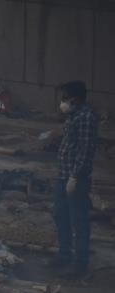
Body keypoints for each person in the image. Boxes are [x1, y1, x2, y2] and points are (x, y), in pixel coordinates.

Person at [50, 80, 98, 278]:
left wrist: (75, 177)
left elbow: (86, 151)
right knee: (60, 214)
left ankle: (80, 263)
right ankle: (64, 254)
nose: (62, 103)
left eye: (65, 98)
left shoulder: (86, 117)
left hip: (75, 178)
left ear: (75, 99)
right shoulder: (73, 115)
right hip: (63, 175)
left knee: (78, 219)